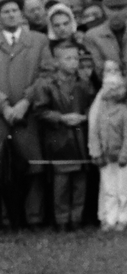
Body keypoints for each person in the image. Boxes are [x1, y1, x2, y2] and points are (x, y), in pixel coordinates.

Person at [0, 0, 52, 228]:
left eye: (14, 10)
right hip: (2, 117)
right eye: (5, 11)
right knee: (3, 166)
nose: (10, 15)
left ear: (21, 14)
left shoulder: (38, 40)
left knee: (33, 166)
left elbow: (46, 73)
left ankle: (34, 217)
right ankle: (6, 218)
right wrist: (3, 105)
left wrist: (25, 102)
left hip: (28, 116)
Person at [31, 38, 93, 230]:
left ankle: (77, 218)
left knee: (80, 183)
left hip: (80, 139)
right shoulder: (46, 84)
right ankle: (61, 220)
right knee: (62, 183)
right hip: (59, 140)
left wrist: (84, 117)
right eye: (68, 59)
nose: (73, 62)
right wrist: (61, 118)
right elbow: (40, 110)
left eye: (76, 58)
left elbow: (93, 106)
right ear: (57, 61)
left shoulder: (83, 83)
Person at [89, 67, 127, 230]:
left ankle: (123, 218)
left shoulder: (124, 112)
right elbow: (96, 132)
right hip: (106, 158)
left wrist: (124, 155)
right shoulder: (101, 112)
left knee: (123, 190)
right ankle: (109, 218)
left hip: (122, 159)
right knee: (109, 189)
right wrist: (98, 153)